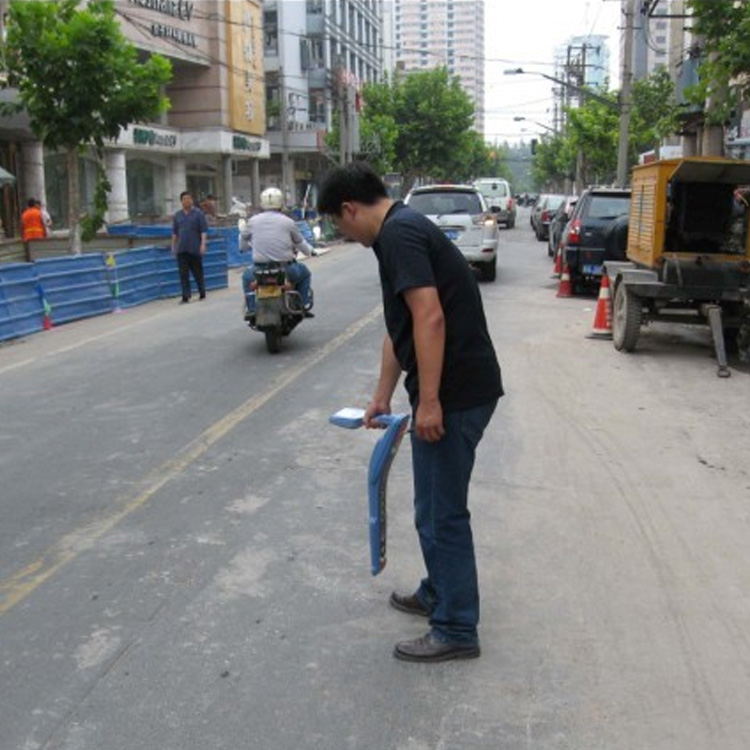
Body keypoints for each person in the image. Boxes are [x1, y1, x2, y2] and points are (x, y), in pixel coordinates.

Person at [317, 162, 503, 663]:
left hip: (458, 394)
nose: (343, 233)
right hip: (459, 389)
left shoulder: (399, 235)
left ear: (350, 209)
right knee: (430, 507)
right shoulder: (397, 233)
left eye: (339, 223)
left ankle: (457, 627)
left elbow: (431, 317)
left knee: (443, 513)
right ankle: (438, 591)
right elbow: (400, 325)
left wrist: (430, 400)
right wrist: (382, 395)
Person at [242, 187, 315, 317]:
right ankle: (303, 304)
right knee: (305, 274)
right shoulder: (288, 222)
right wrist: (310, 252)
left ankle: (252, 309)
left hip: (259, 270)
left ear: (262, 203)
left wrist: (244, 248)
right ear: (281, 203)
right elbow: (299, 242)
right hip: (286, 268)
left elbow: (243, 237)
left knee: (246, 278)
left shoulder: (252, 221)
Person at [172, 190, 208, 303]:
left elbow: (203, 231)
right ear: (181, 202)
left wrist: (203, 244)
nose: (187, 201)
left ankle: (202, 292)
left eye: (189, 198)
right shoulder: (177, 216)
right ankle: (185, 295)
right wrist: (173, 246)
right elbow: (175, 233)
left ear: (192, 200)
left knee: (197, 272)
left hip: (195, 248)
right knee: (183, 273)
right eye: (184, 199)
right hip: (182, 249)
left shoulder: (199, 214)